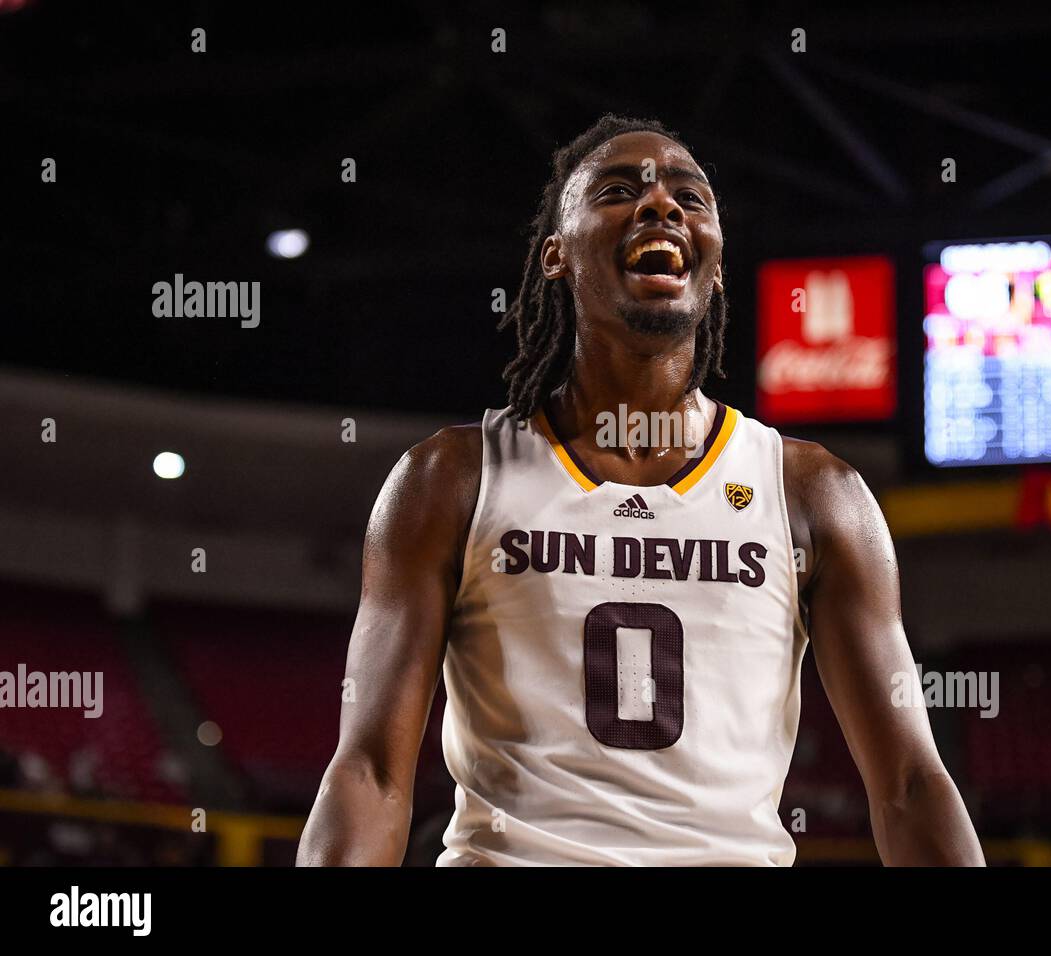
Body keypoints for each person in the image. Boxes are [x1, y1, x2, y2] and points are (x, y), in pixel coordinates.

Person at [297, 114, 983, 866]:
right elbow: (369, 772)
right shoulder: (451, 478)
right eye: (619, 191)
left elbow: (911, 784)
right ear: (555, 256)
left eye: (691, 198)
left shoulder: (816, 494)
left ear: (715, 263)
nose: (663, 207)